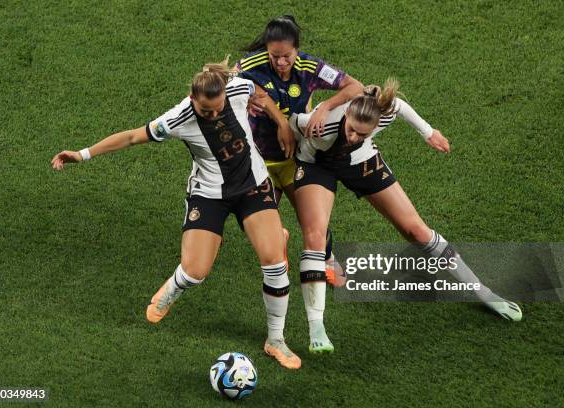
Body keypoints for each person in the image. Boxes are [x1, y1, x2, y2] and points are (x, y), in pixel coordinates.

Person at [51, 61, 302, 369]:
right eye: (206, 110)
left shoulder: (238, 87)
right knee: (195, 272)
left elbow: (259, 94)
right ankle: (172, 289)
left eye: (217, 108)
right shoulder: (179, 117)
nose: (213, 115)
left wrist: (281, 122)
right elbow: (132, 137)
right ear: (193, 98)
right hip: (209, 195)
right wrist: (83, 154)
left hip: (253, 186)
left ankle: (275, 340)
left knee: (275, 263)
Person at [289, 79, 523, 353]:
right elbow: (291, 123)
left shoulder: (378, 117)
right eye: (352, 130)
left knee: (417, 231)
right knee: (315, 235)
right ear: (348, 114)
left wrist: (428, 132)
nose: (353, 136)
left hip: (361, 163)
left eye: (362, 134)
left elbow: (398, 106)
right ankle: (317, 326)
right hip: (317, 166)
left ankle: (484, 292)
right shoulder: (323, 123)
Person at [237, 15, 362, 286]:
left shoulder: (310, 67)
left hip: (296, 159)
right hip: (259, 160)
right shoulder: (251, 65)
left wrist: (325, 108)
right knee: (250, 222)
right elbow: (221, 82)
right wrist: (273, 116)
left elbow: (355, 87)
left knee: (313, 219)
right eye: (274, 56)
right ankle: (278, 237)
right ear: (266, 50)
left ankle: (327, 258)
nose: (281, 62)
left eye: (286, 56)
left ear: (297, 49)